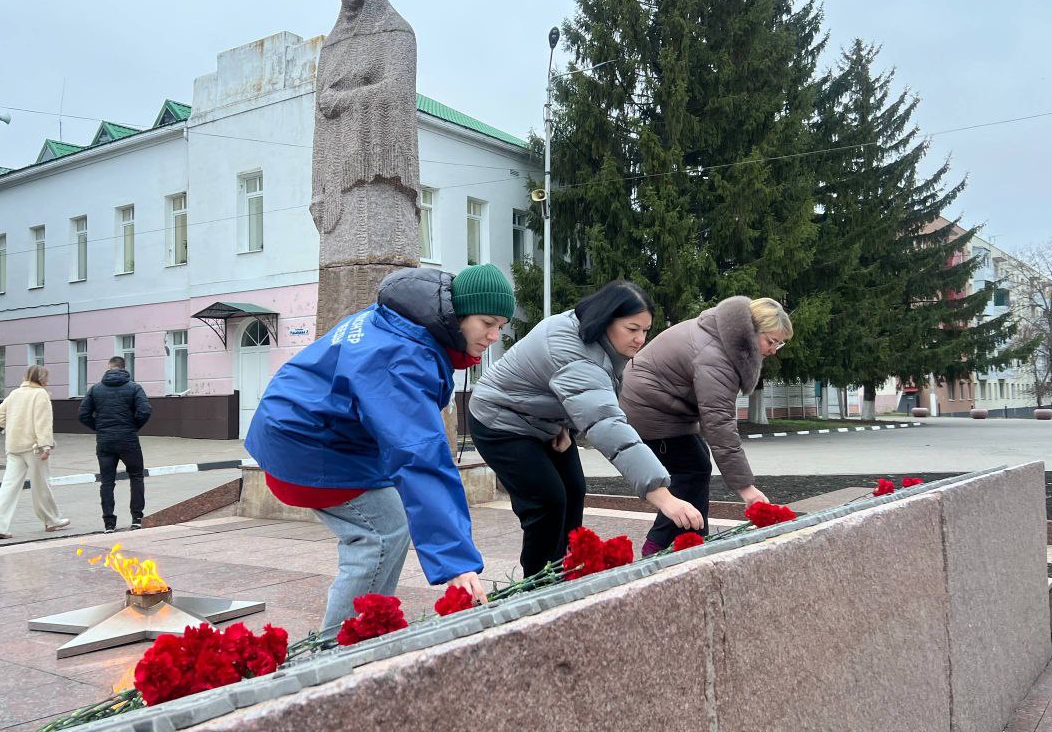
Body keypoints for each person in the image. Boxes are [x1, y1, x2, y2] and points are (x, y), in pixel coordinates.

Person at [244, 263, 515, 632]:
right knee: (382, 534)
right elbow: (419, 456)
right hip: (305, 443)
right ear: (458, 314)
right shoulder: (401, 356)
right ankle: (339, 653)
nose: (494, 335)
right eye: (487, 322)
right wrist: (457, 562)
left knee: (392, 520)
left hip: (307, 429)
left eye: (501, 326)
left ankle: (367, 632)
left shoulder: (407, 322)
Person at [467, 280, 702, 577]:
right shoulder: (572, 348)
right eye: (632, 329)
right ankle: (537, 584)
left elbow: (574, 396)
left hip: (543, 422)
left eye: (645, 330)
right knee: (547, 500)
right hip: (500, 420)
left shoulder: (594, 338)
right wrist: (663, 496)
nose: (640, 339)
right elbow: (606, 423)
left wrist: (565, 425)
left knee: (574, 490)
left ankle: (566, 571)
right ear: (606, 320)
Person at [619, 296, 793, 556]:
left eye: (780, 344)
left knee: (697, 464)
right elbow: (719, 424)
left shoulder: (723, 334)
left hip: (663, 405)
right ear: (751, 330)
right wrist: (746, 489)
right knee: (689, 470)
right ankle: (654, 549)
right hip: (647, 408)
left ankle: (694, 541)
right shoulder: (717, 355)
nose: (773, 350)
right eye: (771, 341)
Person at [0, 365, 69, 540]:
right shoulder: (40, 394)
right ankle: (52, 520)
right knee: (41, 486)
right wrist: (45, 445)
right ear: (40, 379)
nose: (48, 381)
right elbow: (42, 422)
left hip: (13, 447)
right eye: (46, 378)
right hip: (34, 448)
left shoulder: (15, 394)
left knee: (8, 487)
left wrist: (13, 427)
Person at [78, 356, 152, 532]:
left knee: (107, 482)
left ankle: (109, 523)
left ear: (108, 368)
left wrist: (99, 428)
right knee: (136, 476)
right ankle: (136, 518)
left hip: (105, 441)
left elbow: (83, 414)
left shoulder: (95, 389)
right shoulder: (134, 387)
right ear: (124, 368)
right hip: (128, 440)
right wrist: (134, 426)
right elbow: (145, 410)